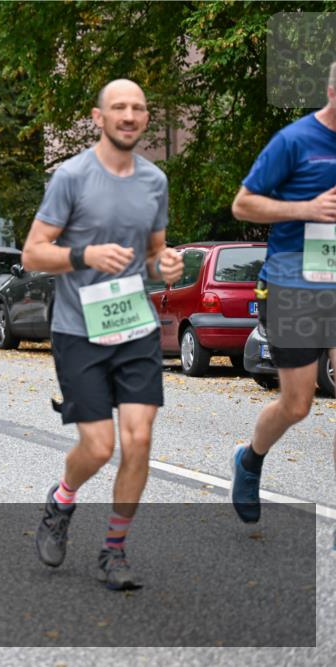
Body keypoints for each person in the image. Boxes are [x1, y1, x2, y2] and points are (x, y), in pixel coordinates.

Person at [23, 80, 183, 590]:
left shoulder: (154, 180)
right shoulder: (71, 176)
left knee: (138, 441)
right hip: (79, 328)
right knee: (98, 446)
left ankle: (114, 550)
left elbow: (155, 253)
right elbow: (33, 254)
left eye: (138, 108)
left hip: (133, 325)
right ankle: (62, 501)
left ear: (145, 117)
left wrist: (168, 263)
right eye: (120, 108)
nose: (130, 115)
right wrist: (83, 255)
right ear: (99, 117)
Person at [229, 62, 336, 523]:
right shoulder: (295, 141)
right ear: (332, 89)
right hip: (296, 285)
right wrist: (305, 208)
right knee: (297, 404)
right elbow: (243, 204)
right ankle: (249, 459)